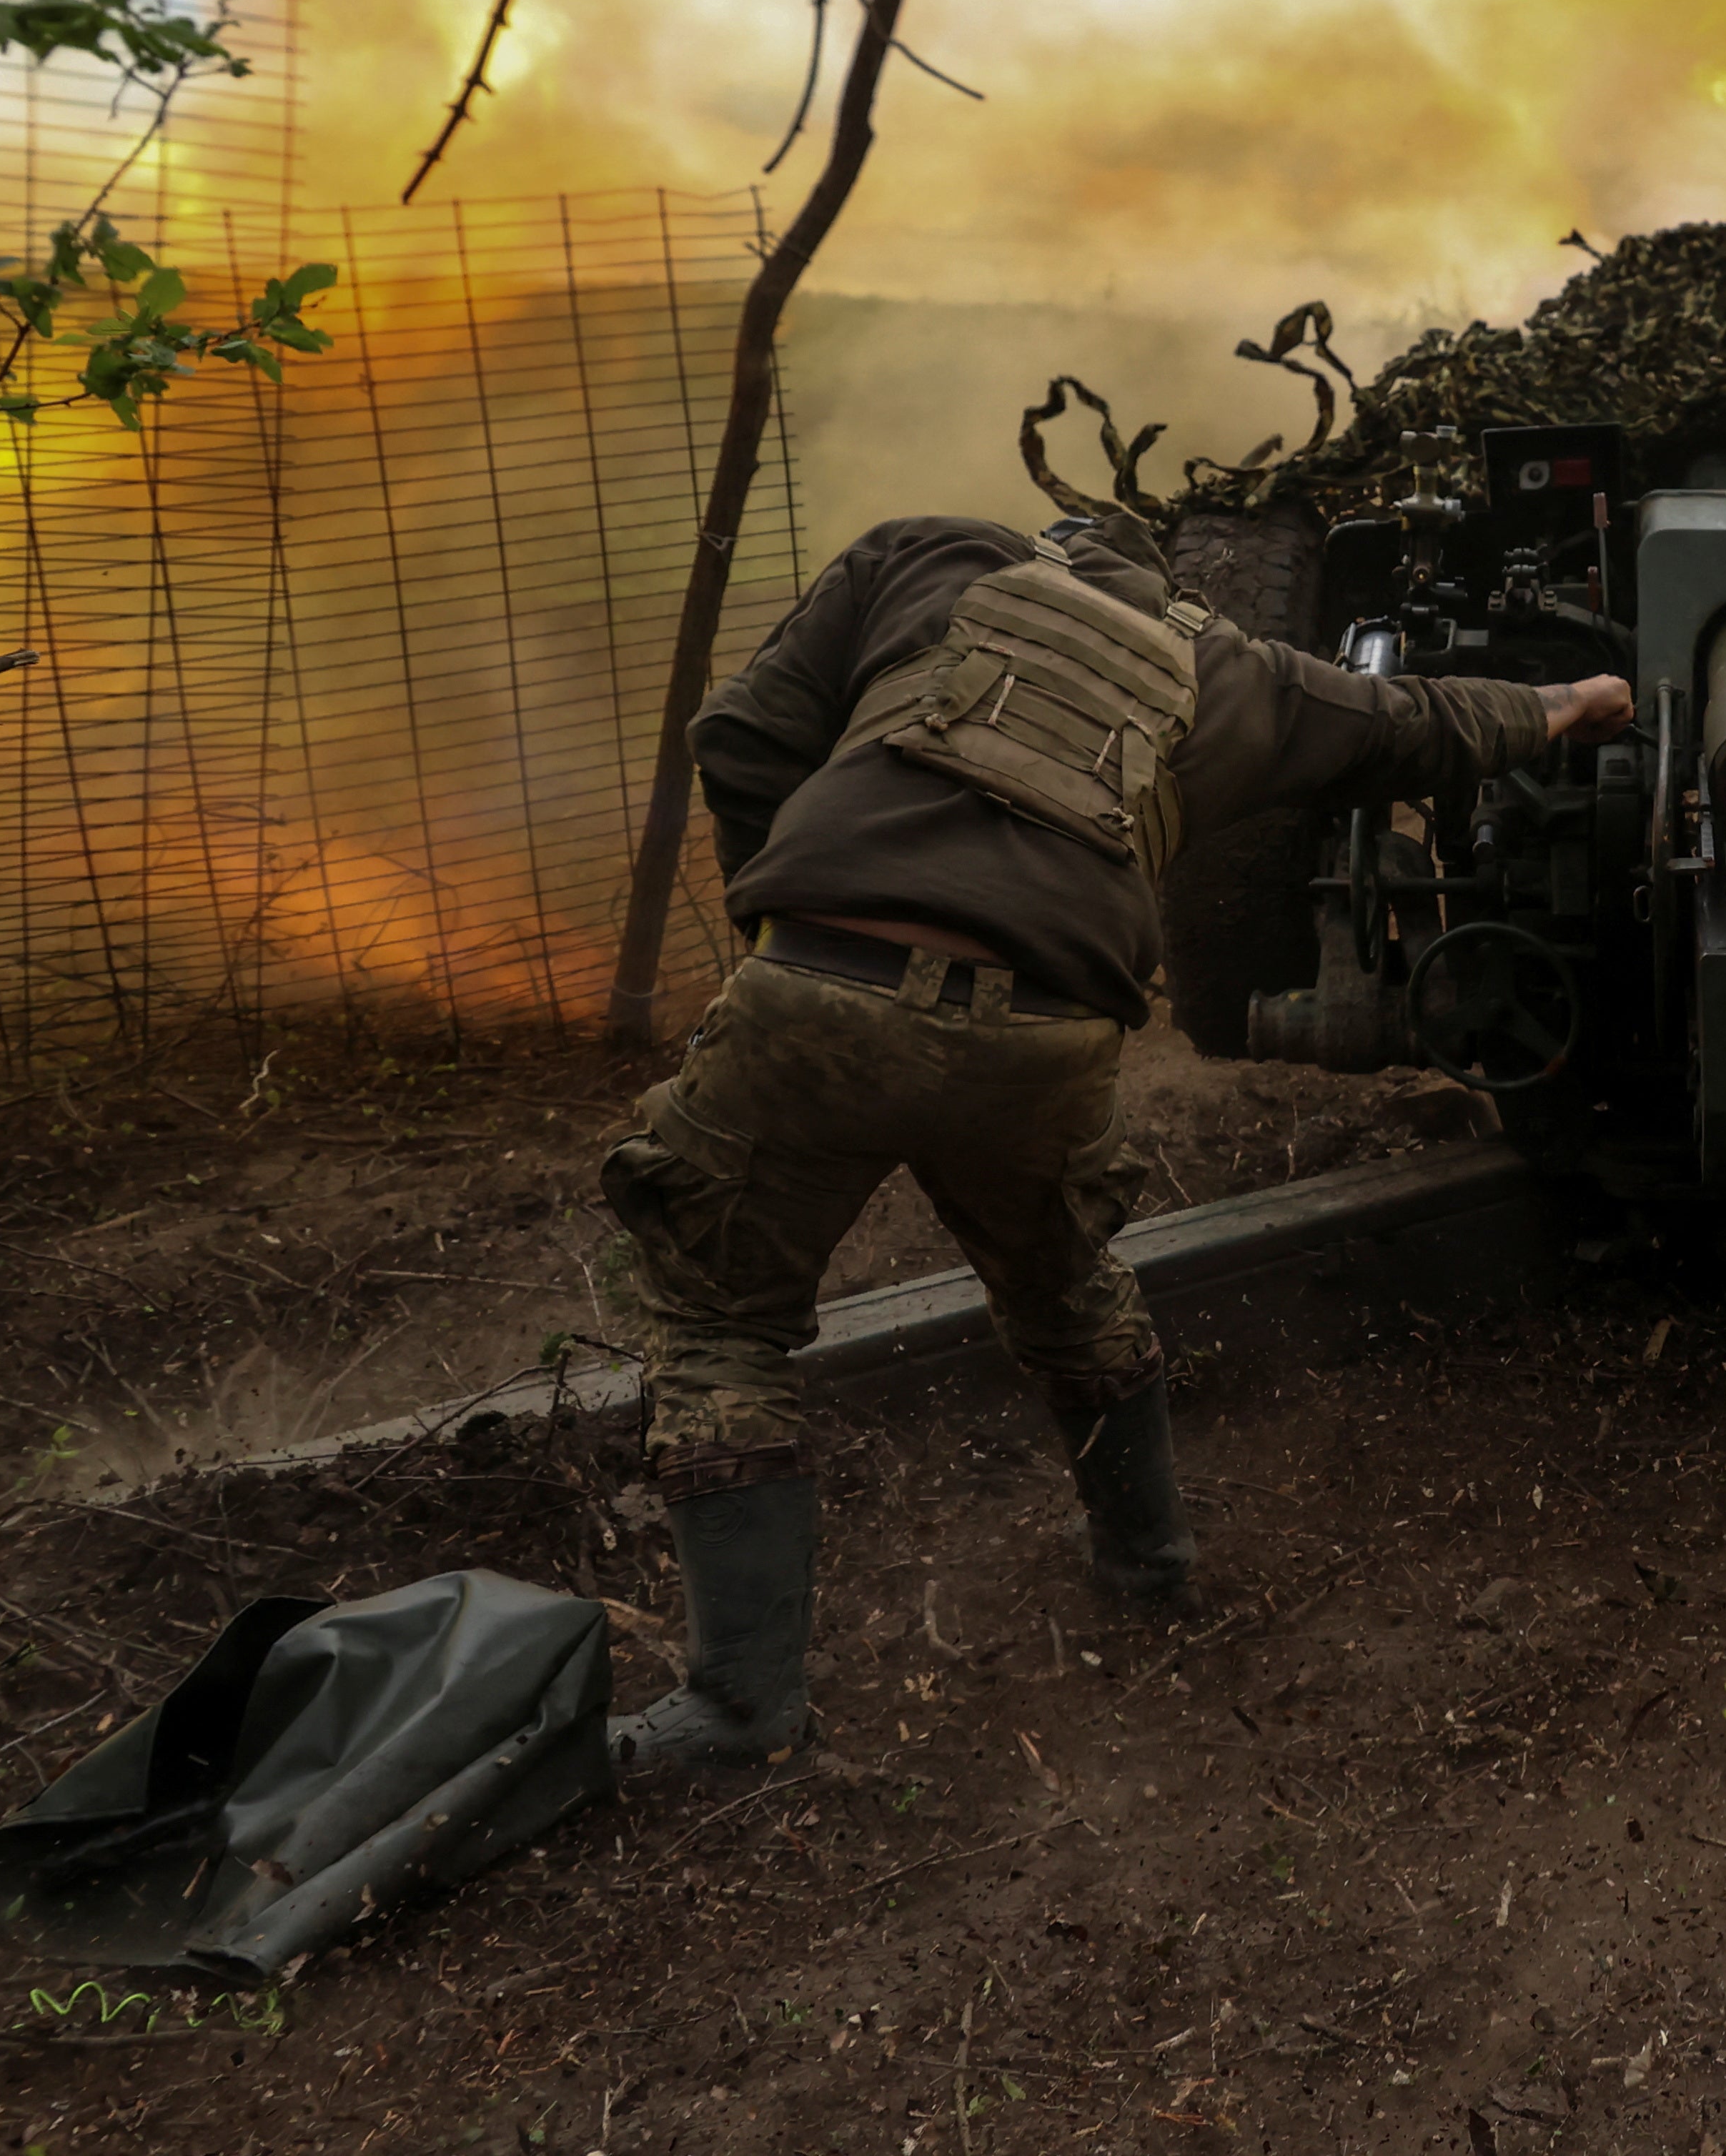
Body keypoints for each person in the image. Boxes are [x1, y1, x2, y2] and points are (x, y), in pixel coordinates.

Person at [603, 510, 1630, 1764]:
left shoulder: (924, 555)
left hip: (817, 984)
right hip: (1049, 1020)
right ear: (1159, 586)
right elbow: (1413, 722)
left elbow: (744, 735)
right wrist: (1574, 702)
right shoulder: (1226, 670)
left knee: (721, 1323)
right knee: (1066, 1291)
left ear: (1044, 544)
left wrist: (799, 911)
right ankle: (1147, 1566)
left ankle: (740, 1701)